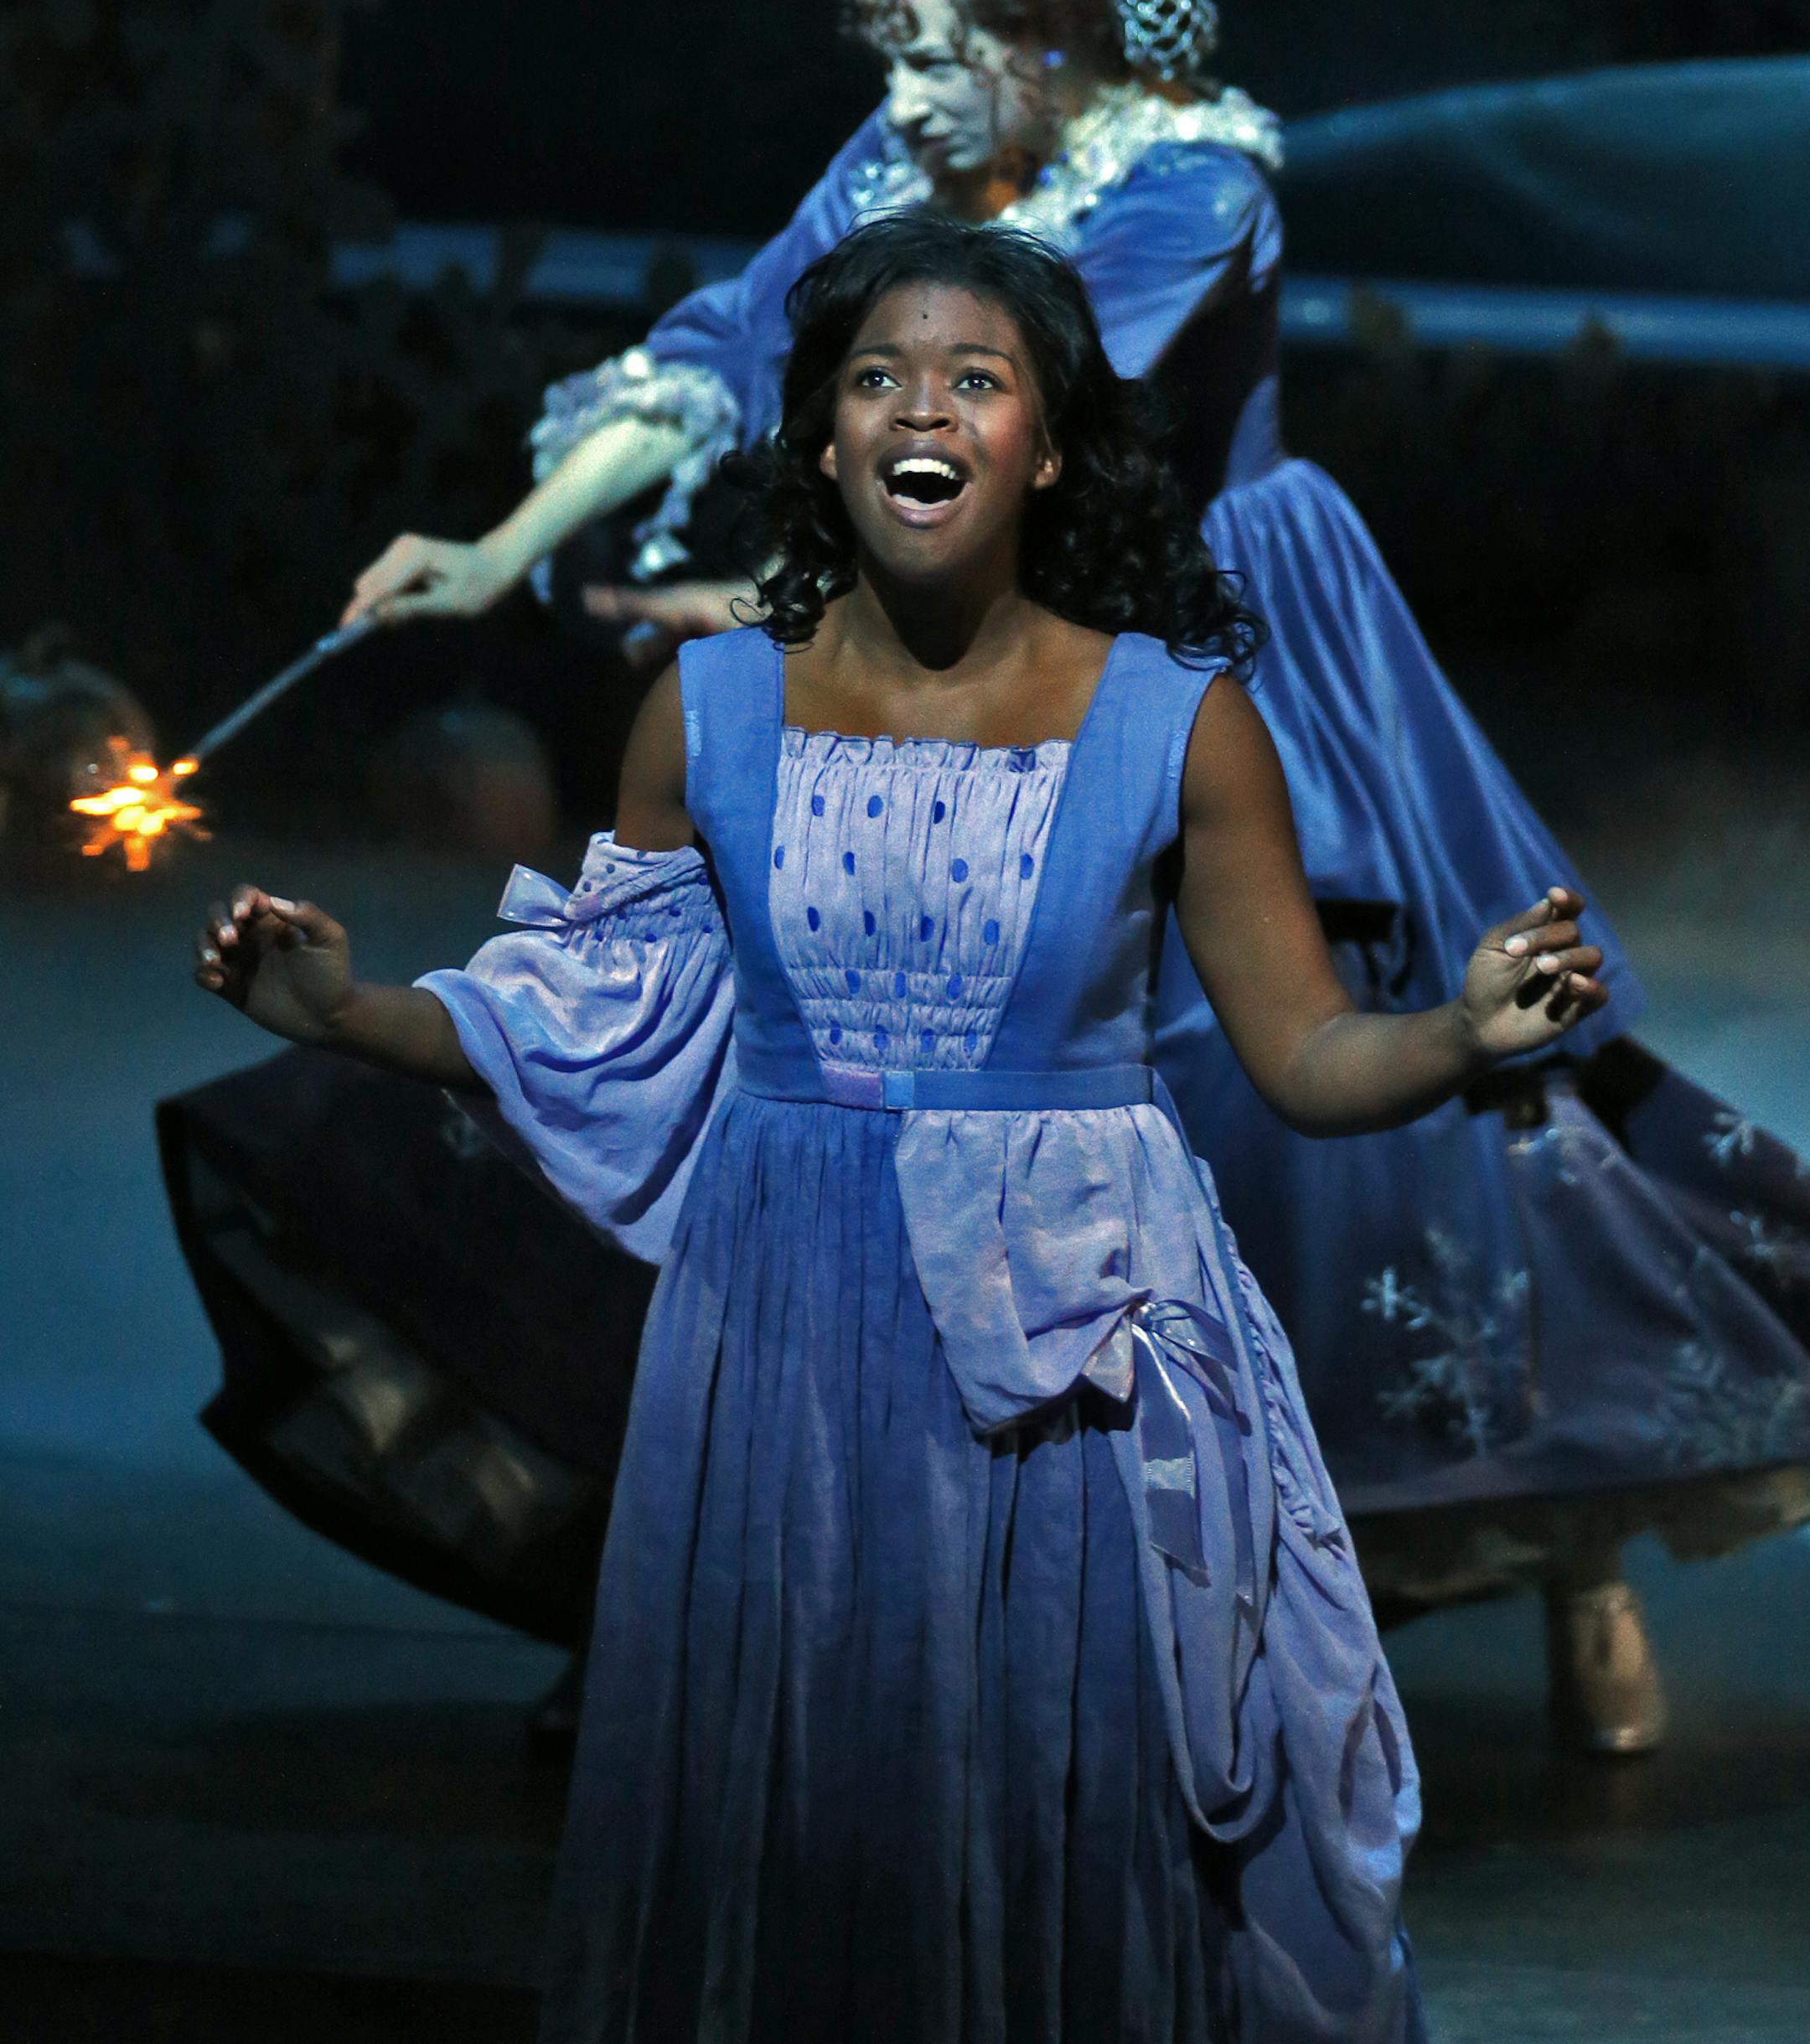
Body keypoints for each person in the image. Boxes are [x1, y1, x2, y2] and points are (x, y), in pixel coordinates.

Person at [322, 0, 1810, 1755]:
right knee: (828, 1100)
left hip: (1200, 635)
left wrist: (764, 593)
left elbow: (1012, 425)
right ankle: (696, 1574)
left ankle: (1568, 1553)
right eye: (894, 57)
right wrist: (510, 547)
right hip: (946, 656)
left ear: (1045, 39)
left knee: (1351, 1144)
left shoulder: (1195, 183)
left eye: (941, 55)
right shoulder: (914, 149)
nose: (908, 98)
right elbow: (728, 340)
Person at [193, 210, 1624, 2041]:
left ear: (1042, 441)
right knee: (806, 1795)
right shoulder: (703, 709)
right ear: (818, 438)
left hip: (1074, 1351)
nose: (919, 409)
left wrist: (1459, 1032)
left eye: (975, 377)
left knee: (1068, 1786)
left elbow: (1304, 1058)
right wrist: (349, 1014)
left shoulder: (1180, 722)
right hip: (781, 1332)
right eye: (877, 377)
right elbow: (592, 1015)